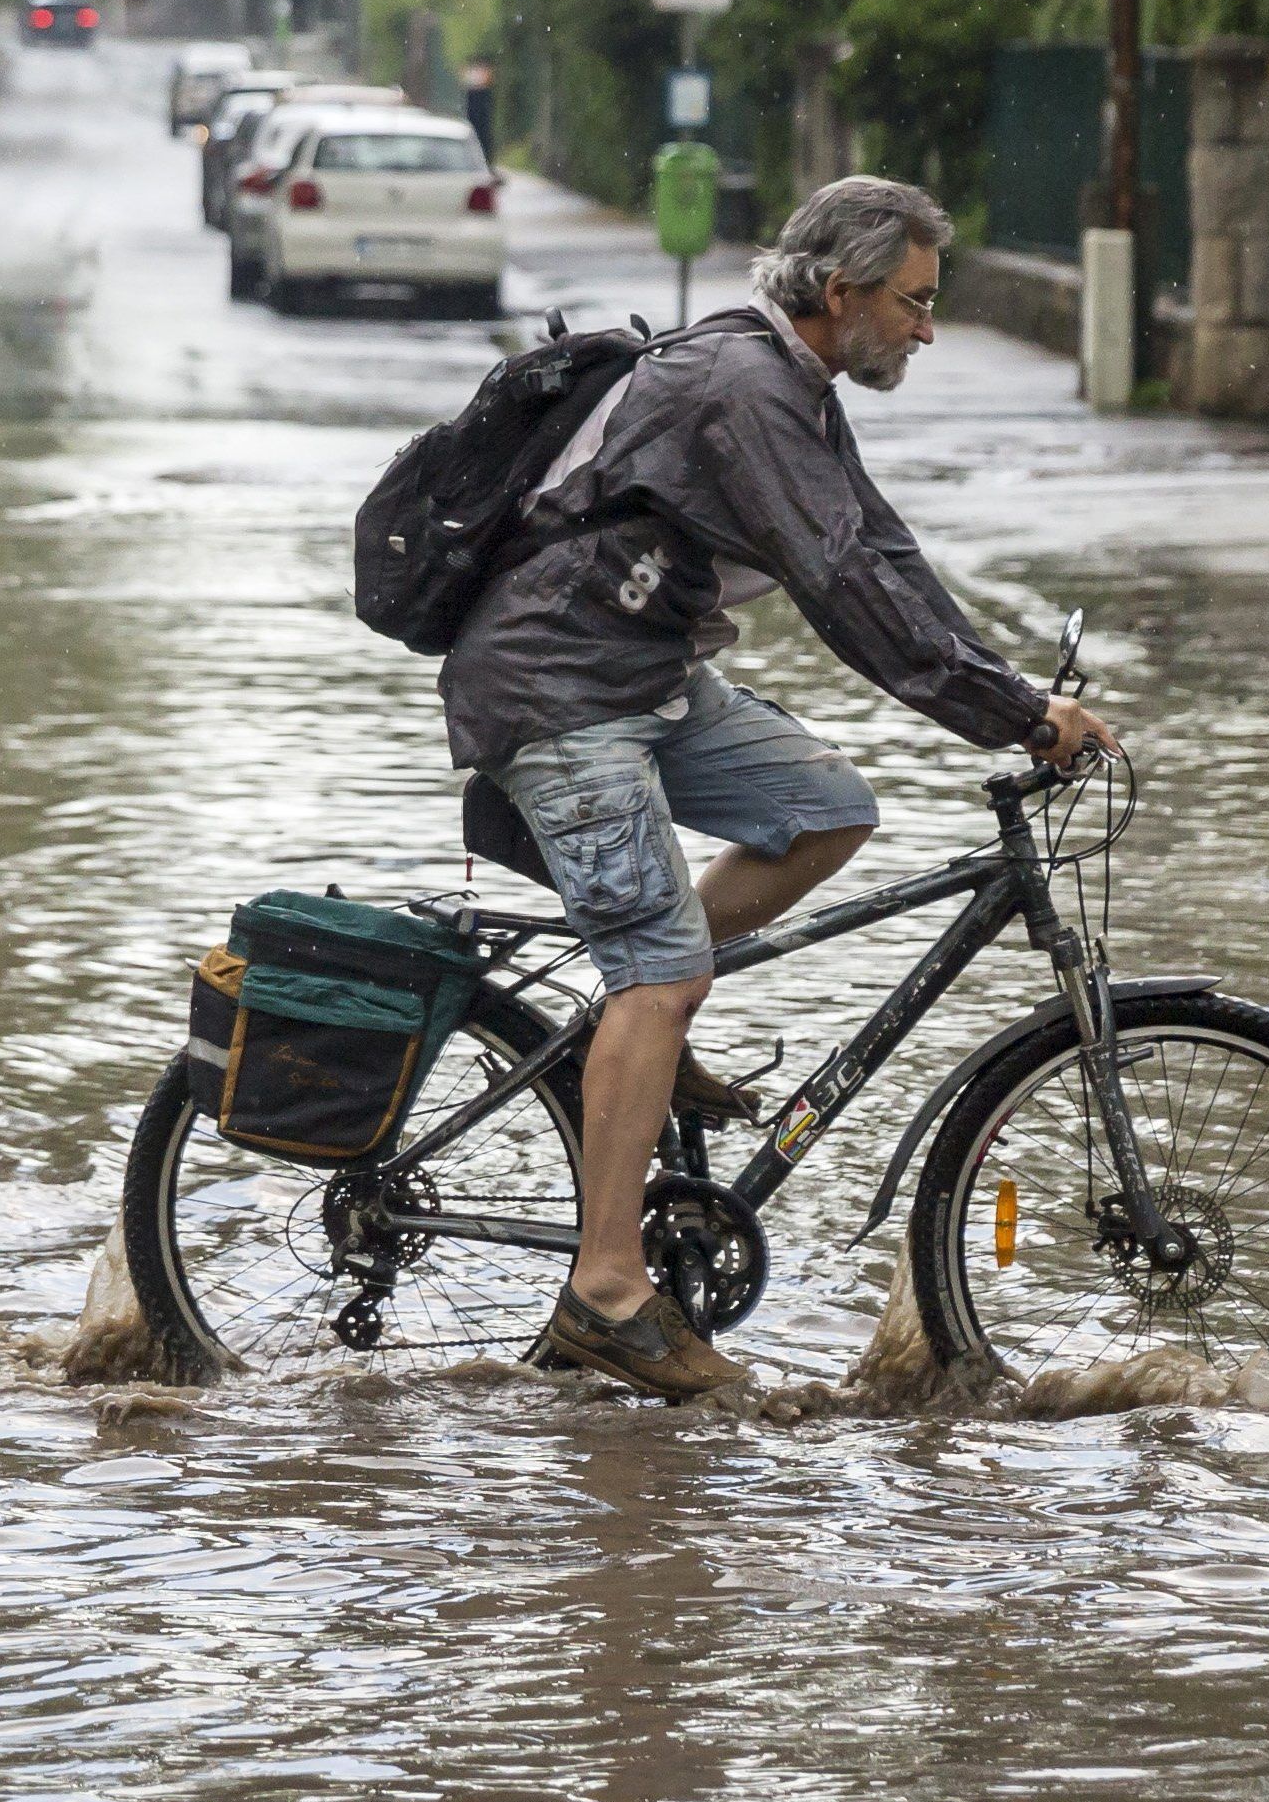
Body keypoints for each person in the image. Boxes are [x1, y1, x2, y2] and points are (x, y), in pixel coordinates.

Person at [441, 173, 1111, 1401]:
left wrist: (1017, 697)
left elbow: (879, 546)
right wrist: (1011, 718)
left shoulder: (788, 379)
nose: (926, 327)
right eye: (910, 302)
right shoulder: (744, 385)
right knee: (662, 967)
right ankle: (604, 1291)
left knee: (824, 810)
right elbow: (840, 590)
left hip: (638, 671)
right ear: (839, 290)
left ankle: (624, 1042)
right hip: (558, 687)